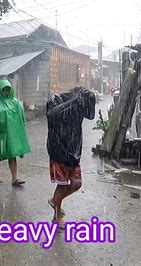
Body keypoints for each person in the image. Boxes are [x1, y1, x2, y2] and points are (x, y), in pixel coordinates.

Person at [46, 87, 96, 227]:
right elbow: (52, 115)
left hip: (73, 152)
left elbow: (90, 115)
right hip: (59, 151)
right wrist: (73, 102)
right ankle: (56, 216)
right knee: (62, 185)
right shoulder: (57, 101)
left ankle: (55, 200)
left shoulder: (79, 104)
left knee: (76, 184)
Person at [0, 78, 31, 186]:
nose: (6, 91)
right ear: (0, 89)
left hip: (10, 134)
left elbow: (20, 118)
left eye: (8, 89)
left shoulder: (14, 102)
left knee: (12, 153)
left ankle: (15, 178)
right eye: (4, 89)